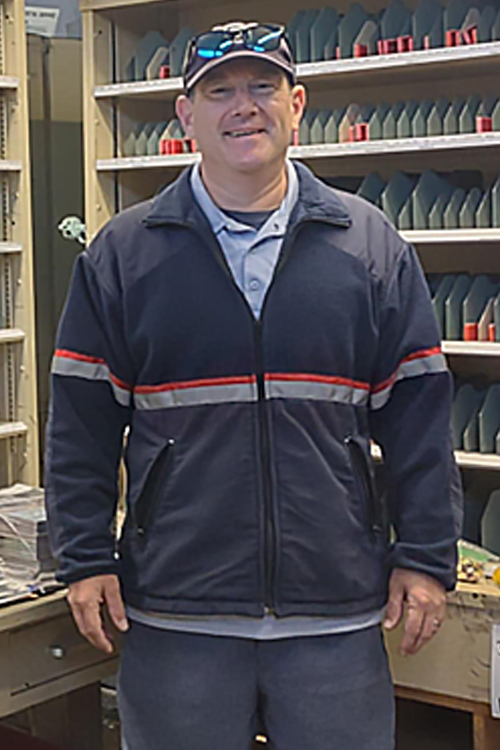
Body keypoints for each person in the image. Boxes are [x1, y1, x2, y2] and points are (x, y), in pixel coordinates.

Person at [45, 20, 462, 750]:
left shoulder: (368, 248)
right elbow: (79, 425)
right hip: (179, 613)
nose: (244, 107)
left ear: (296, 105)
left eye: (263, 87)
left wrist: (425, 558)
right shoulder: (125, 255)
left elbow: (420, 417)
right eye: (219, 92)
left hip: (332, 614)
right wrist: (84, 558)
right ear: (187, 116)